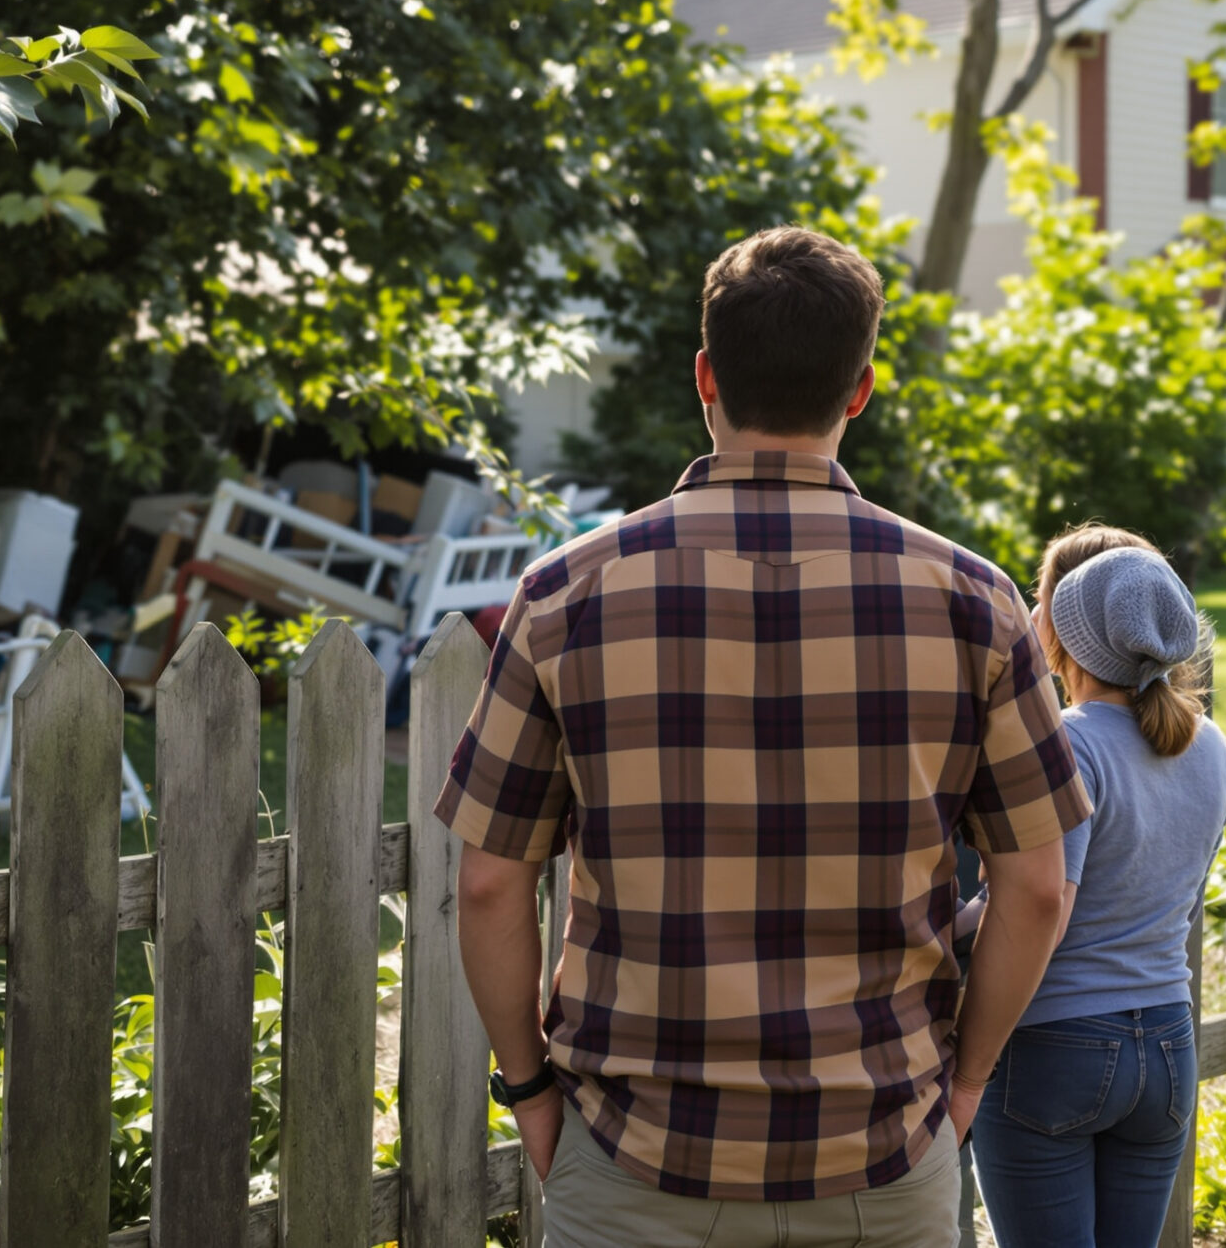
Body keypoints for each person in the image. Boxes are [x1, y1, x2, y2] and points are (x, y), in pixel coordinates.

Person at [436, 225, 1092, 1248]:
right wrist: (964, 1084)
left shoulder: (563, 595)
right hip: (881, 1155)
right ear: (860, 389)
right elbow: (1039, 886)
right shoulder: (974, 601)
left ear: (705, 375)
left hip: (633, 1163)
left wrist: (525, 1088)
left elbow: (486, 883)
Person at [966, 526, 1226, 1248]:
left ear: (1064, 640)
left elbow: (1044, 904)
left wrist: (969, 1053)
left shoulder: (1070, 742)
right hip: (1169, 1046)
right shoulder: (1209, 744)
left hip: (1059, 1047)